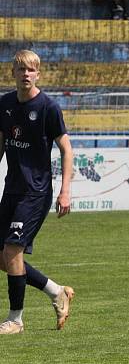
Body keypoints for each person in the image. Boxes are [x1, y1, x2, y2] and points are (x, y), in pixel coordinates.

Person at [0, 50, 75, 334]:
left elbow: (67, 150)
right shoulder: (4, 104)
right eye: (21, 70)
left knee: (12, 249)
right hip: (12, 190)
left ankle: (15, 319)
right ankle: (57, 292)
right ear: (14, 74)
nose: (26, 74)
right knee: (4, 256)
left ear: (38, 74)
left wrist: (65, 191)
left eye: (31, 70)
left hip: (36, 193)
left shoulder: (48, 107)